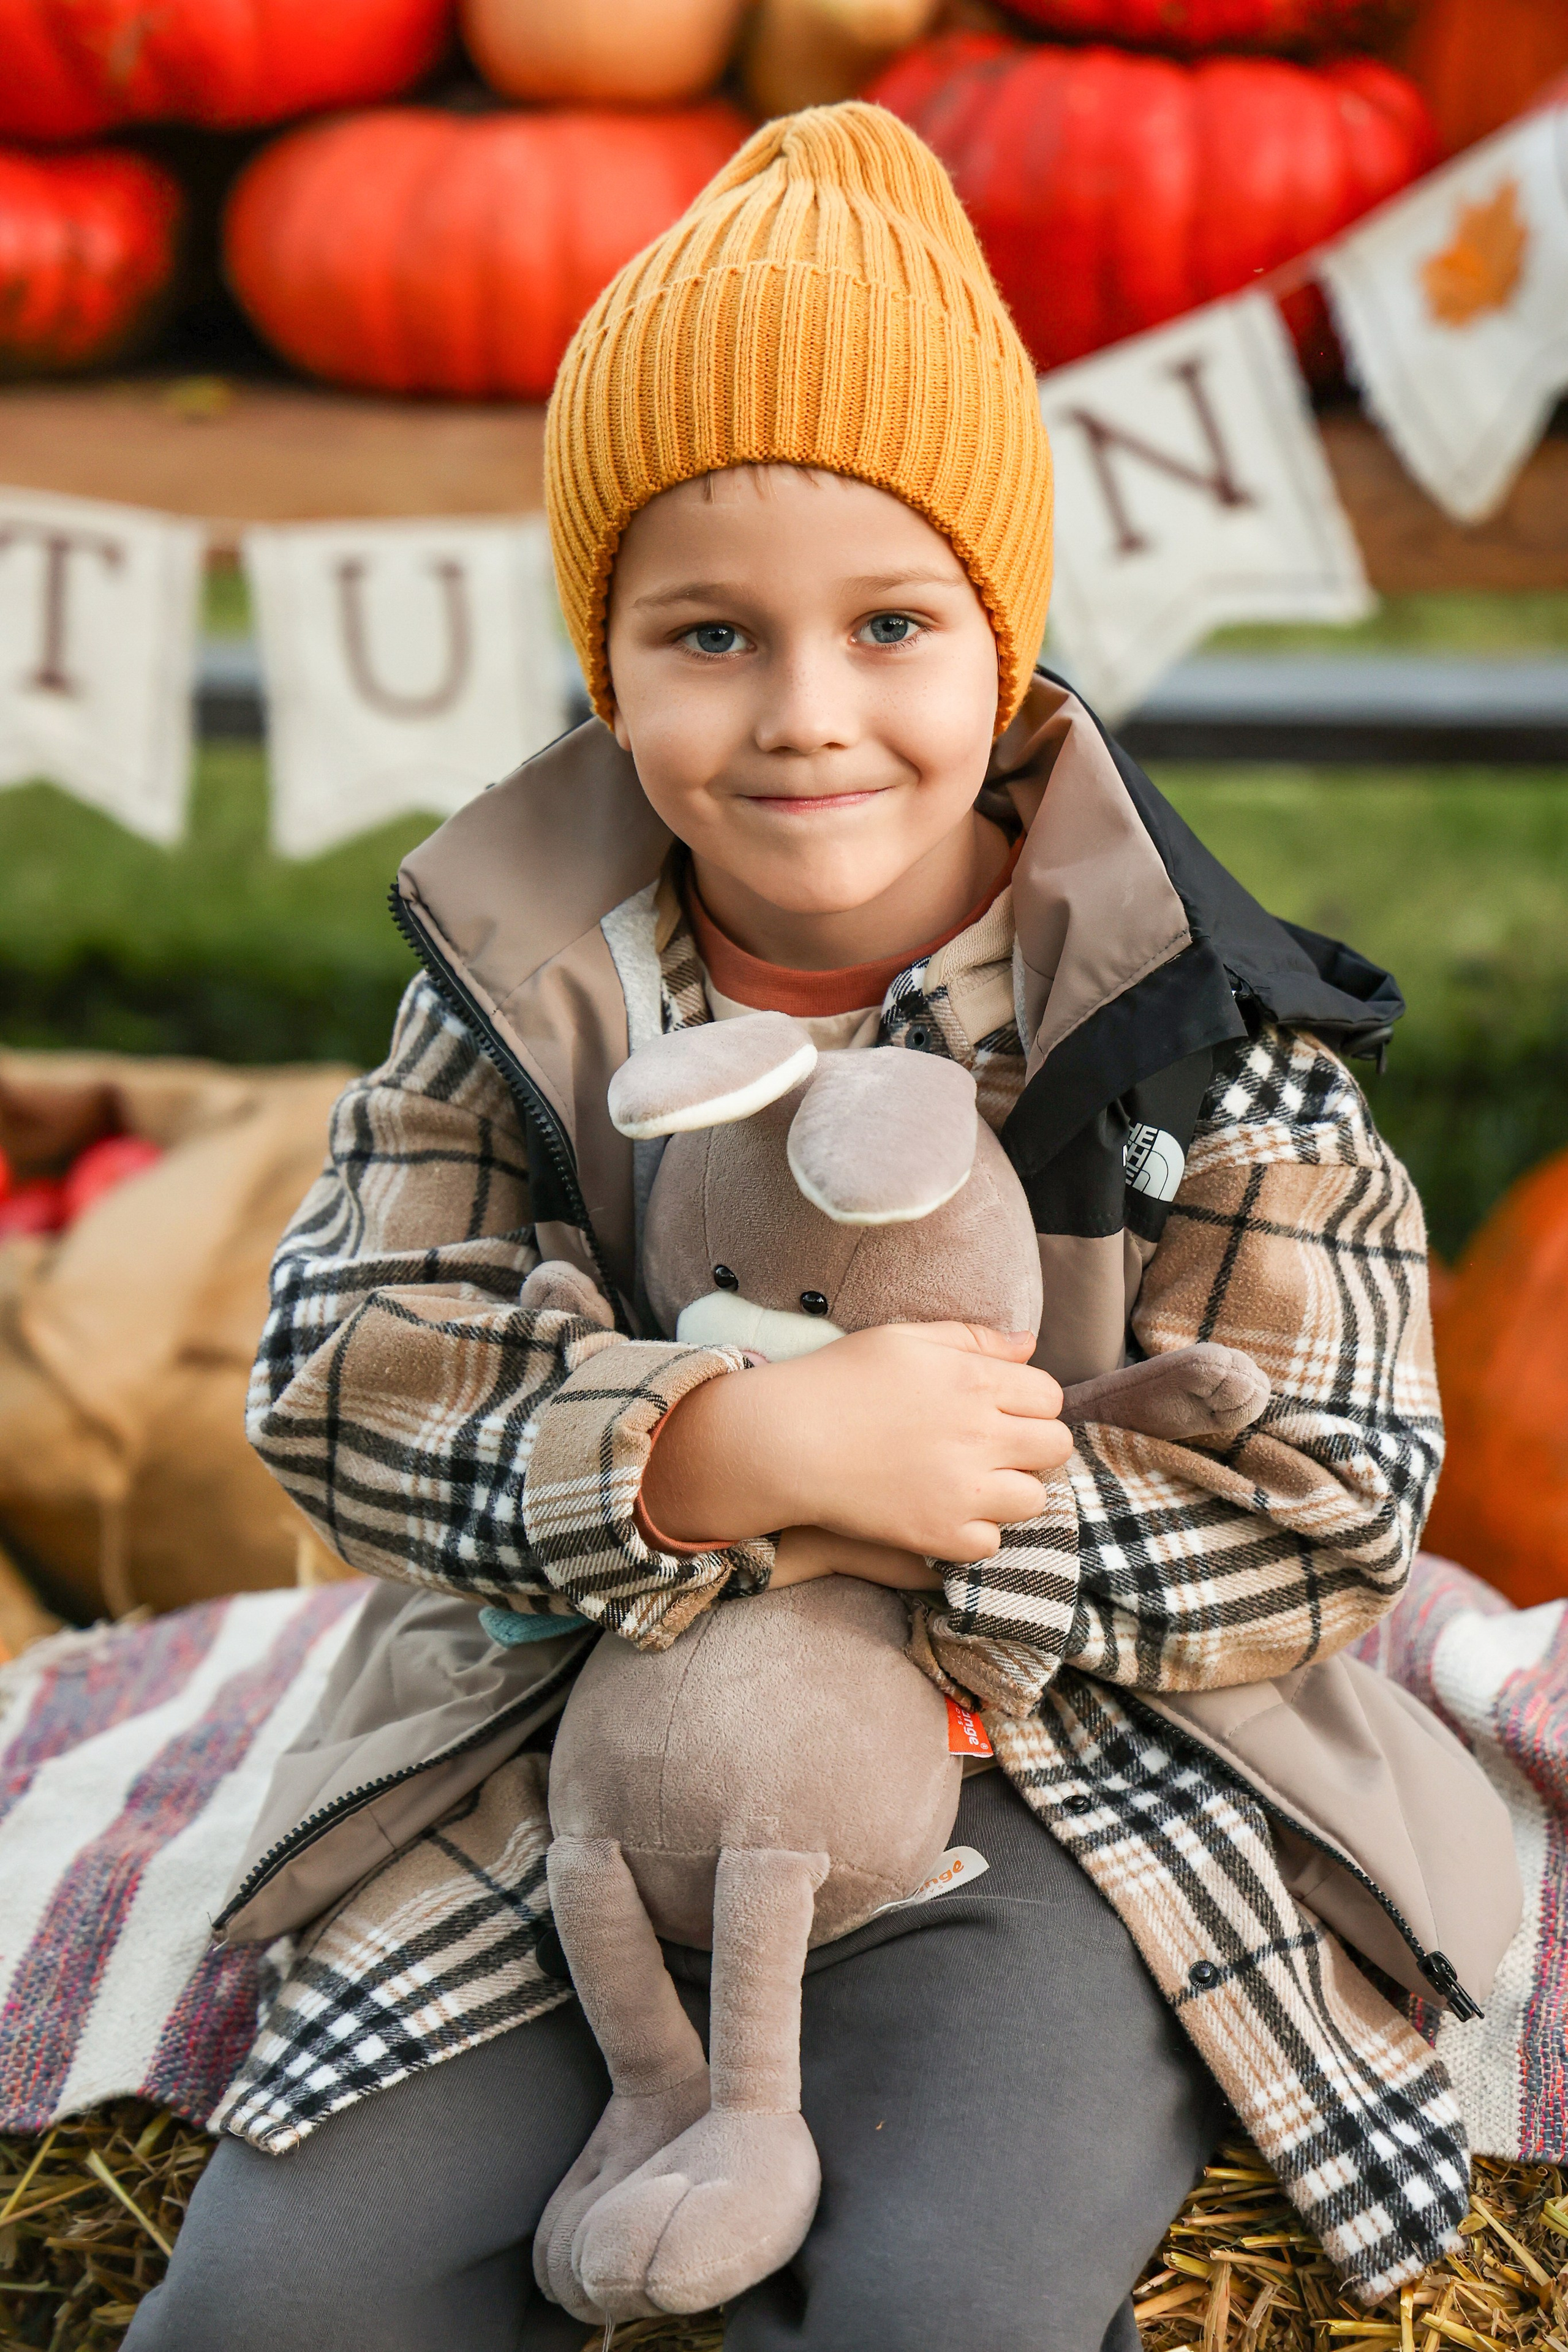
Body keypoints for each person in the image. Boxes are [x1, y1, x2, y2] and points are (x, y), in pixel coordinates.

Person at [129, 102, 1475, 2352]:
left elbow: (1337, 1496)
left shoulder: (1182, 1016)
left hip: (1044, 1783)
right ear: (606, 657)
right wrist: (713, 1460)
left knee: (949, 2297)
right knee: (272, 2305)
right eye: (711, 635)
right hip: (580, 1770)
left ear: (1005, 637)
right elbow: (346, 1379)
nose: (809, 715)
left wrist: (947, 1508)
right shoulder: (525, 982)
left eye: (890, 624)